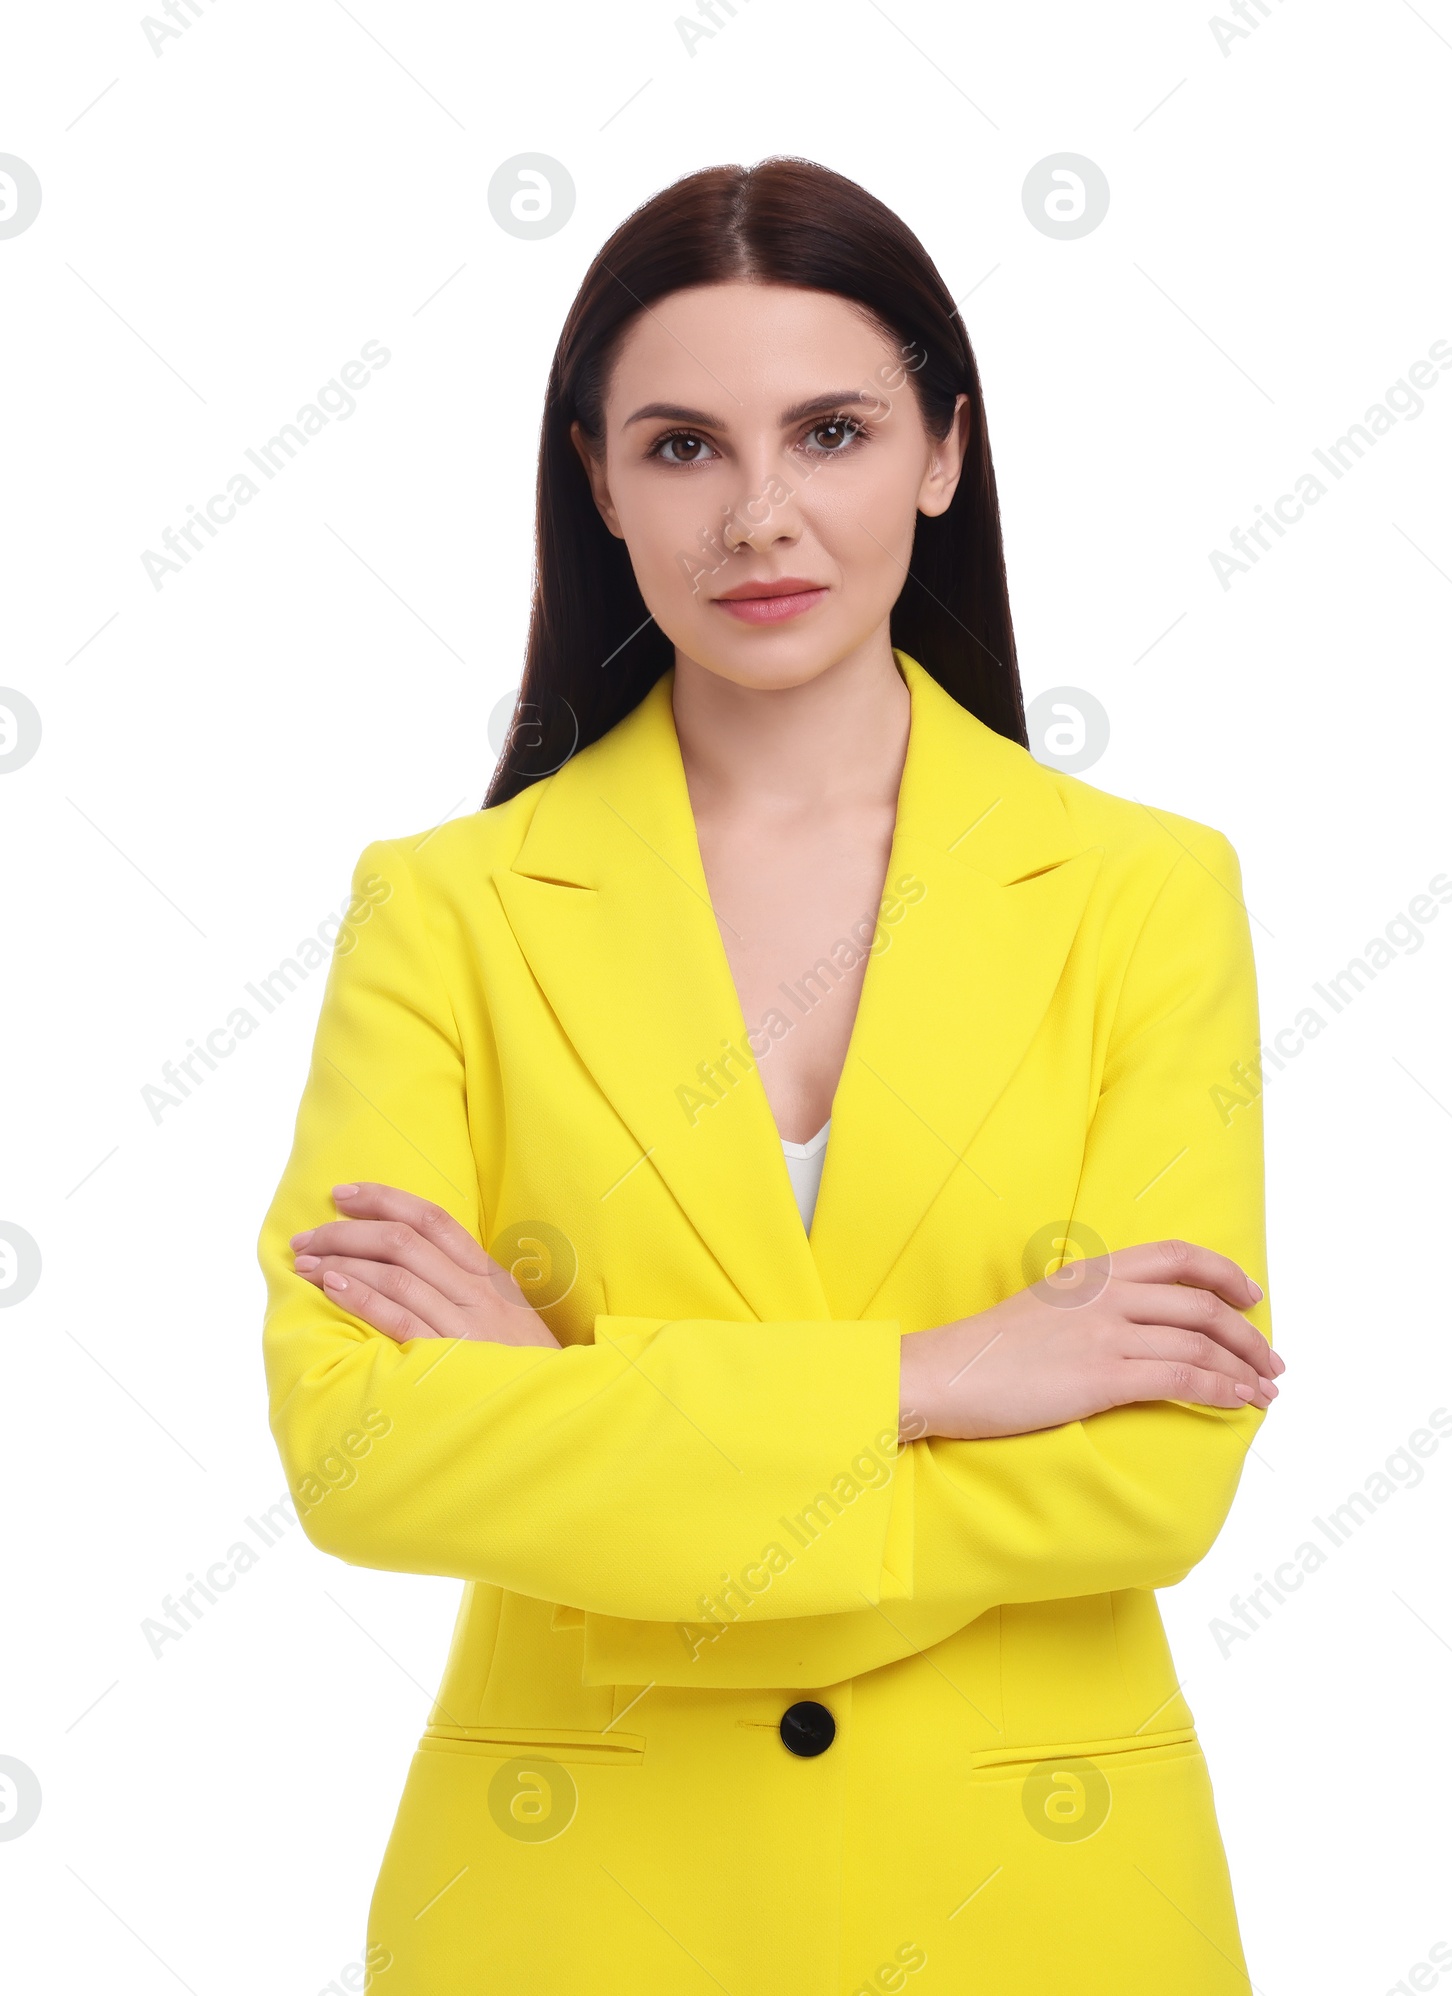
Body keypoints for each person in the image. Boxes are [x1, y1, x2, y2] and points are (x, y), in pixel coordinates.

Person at [259, 155, 1283, 1995]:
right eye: (681, 446)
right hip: (572, 1909)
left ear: (942, 452)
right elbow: (362, 1450)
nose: (759, 518)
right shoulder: (447, 911)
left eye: (828, 432)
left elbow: (1151, 1485)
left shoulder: (1147, 894)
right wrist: (946, 1376)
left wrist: (580, 1445)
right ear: (597, 478)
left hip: (1040, 1910)